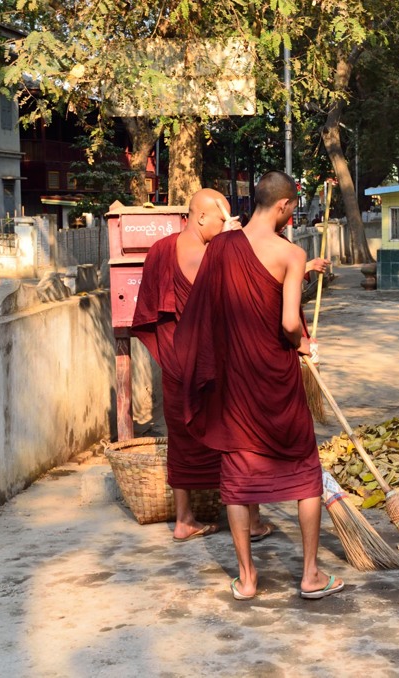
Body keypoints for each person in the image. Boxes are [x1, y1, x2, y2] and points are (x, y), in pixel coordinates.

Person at [176, 171, 343, 600]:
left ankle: (248, 580)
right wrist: (302, 344)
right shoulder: (290, 253)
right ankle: (309, 576)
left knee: (237, 473)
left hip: (234, 379)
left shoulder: (222, 248)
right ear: (285, 207)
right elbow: (289, 322)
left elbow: (204, 311)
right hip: (277, 377)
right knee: (305, 470)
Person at [132, 188, 273, 543]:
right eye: (222, 218)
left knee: (182, 438)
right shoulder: (216, 255)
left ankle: (185, 520)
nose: (227, 224)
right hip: (216, 366)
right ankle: (252, 522)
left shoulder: (162, 250)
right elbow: (242, 296)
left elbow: (152, 314)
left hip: (177, 364)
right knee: (240, 438)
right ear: (199, 217)